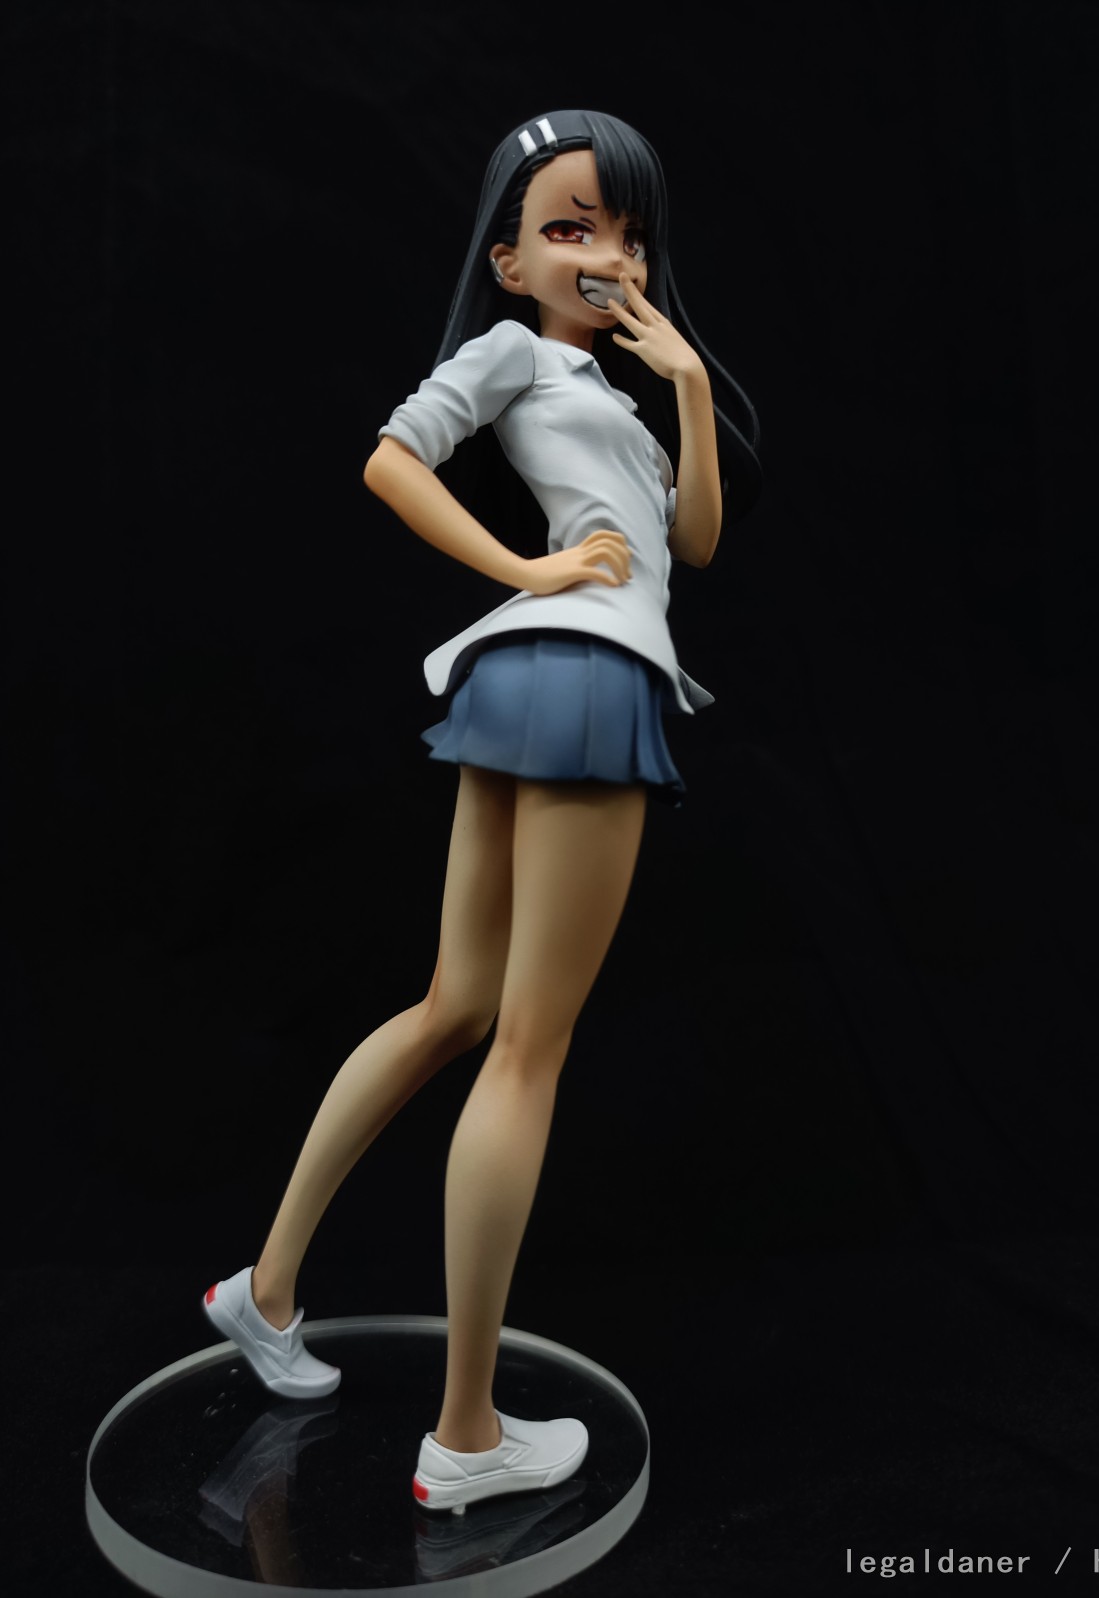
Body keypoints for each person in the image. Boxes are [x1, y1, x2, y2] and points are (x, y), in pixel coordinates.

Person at [202, 109, 761, 1515]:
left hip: (539, 674)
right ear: (509, 260)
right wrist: (529, 565)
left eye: (626, 231)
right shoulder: (515, 349)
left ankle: (264, 1288)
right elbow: (394, 457)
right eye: (570, 228)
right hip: (582, 670)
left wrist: (690, 387)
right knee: (526, 1043)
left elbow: (695, 543)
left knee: (457, 1005)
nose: (607, 254)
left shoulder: (622, 394)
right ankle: (464, 1437)